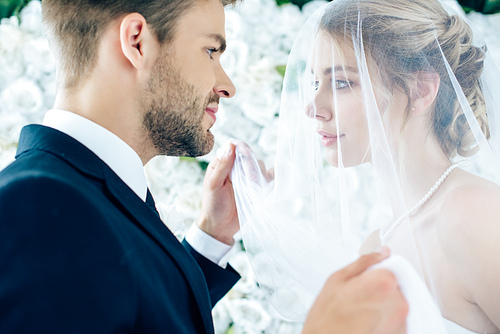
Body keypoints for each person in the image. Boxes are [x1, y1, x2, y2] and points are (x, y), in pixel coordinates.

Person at [0, 0, 408, 333]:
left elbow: (118, 307)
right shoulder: (39, 207)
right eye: (211, 51)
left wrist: (213, 235)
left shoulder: (72, 194)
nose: (227, 84)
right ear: (137, 42)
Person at [230, 0, 500, 333]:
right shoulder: (375, 247)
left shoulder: (472, 214)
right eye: (315, 83)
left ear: (420, 91)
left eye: (341, 82)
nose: (313, 107)